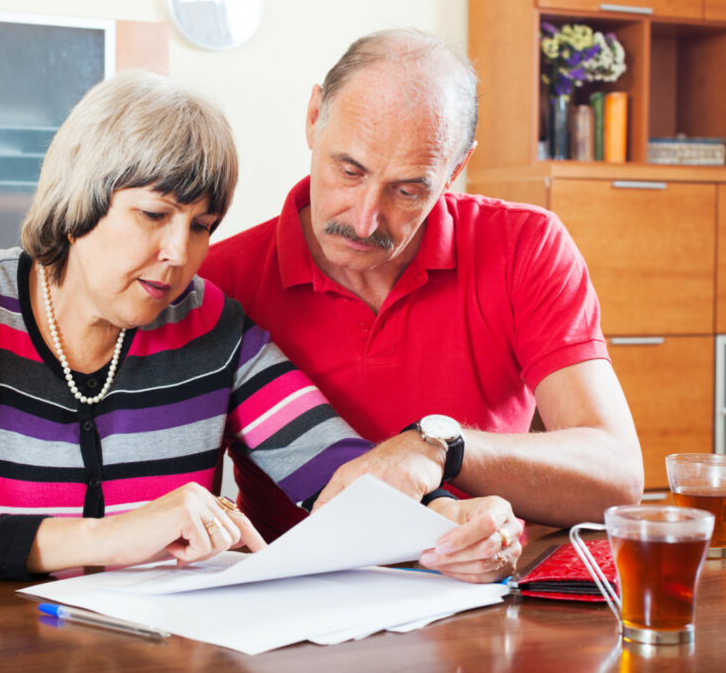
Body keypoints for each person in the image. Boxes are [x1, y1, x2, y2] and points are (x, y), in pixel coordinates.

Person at [0, 70, 521, 583]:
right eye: (153, 215)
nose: (179, 255)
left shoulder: (212, 326)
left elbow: (342, 478)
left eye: (203, 227)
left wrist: (449, 524)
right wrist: (110, 539)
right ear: (81, 197)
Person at [200, 29, 645, 550]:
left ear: (456, 168)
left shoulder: (525, 246)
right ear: (314, 117)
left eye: (408, 190)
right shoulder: (217, 280)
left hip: (480, 597)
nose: (365, 221)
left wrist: (439, 448)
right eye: (349, 171)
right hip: (294, 602)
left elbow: (616, 478)